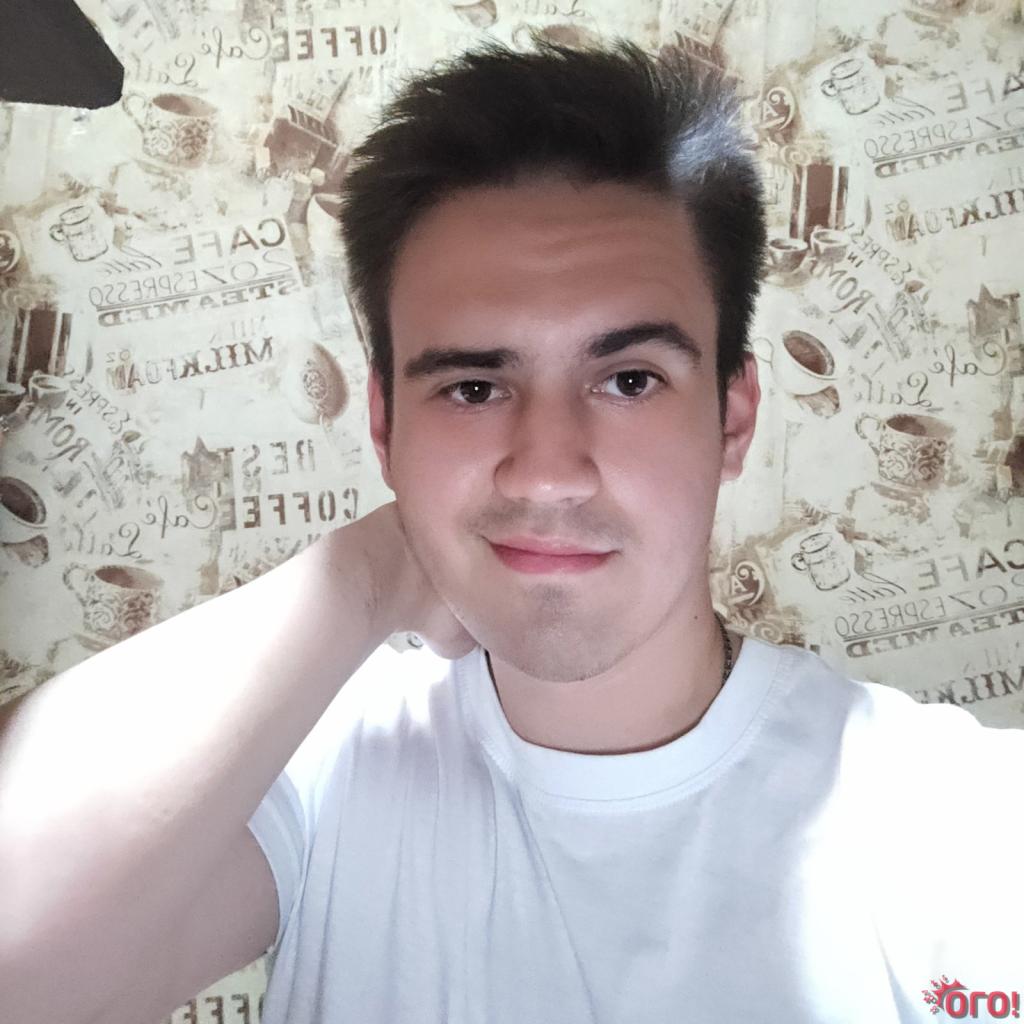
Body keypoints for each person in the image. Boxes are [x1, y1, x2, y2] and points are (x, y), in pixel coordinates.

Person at [1, 39, 1021, 1024]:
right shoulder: (316, 769)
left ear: (733, 418)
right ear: (384, 428)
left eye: (630, 380)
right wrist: (370, 574)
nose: (545, 470)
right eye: (473, 387)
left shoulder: (961, 817)